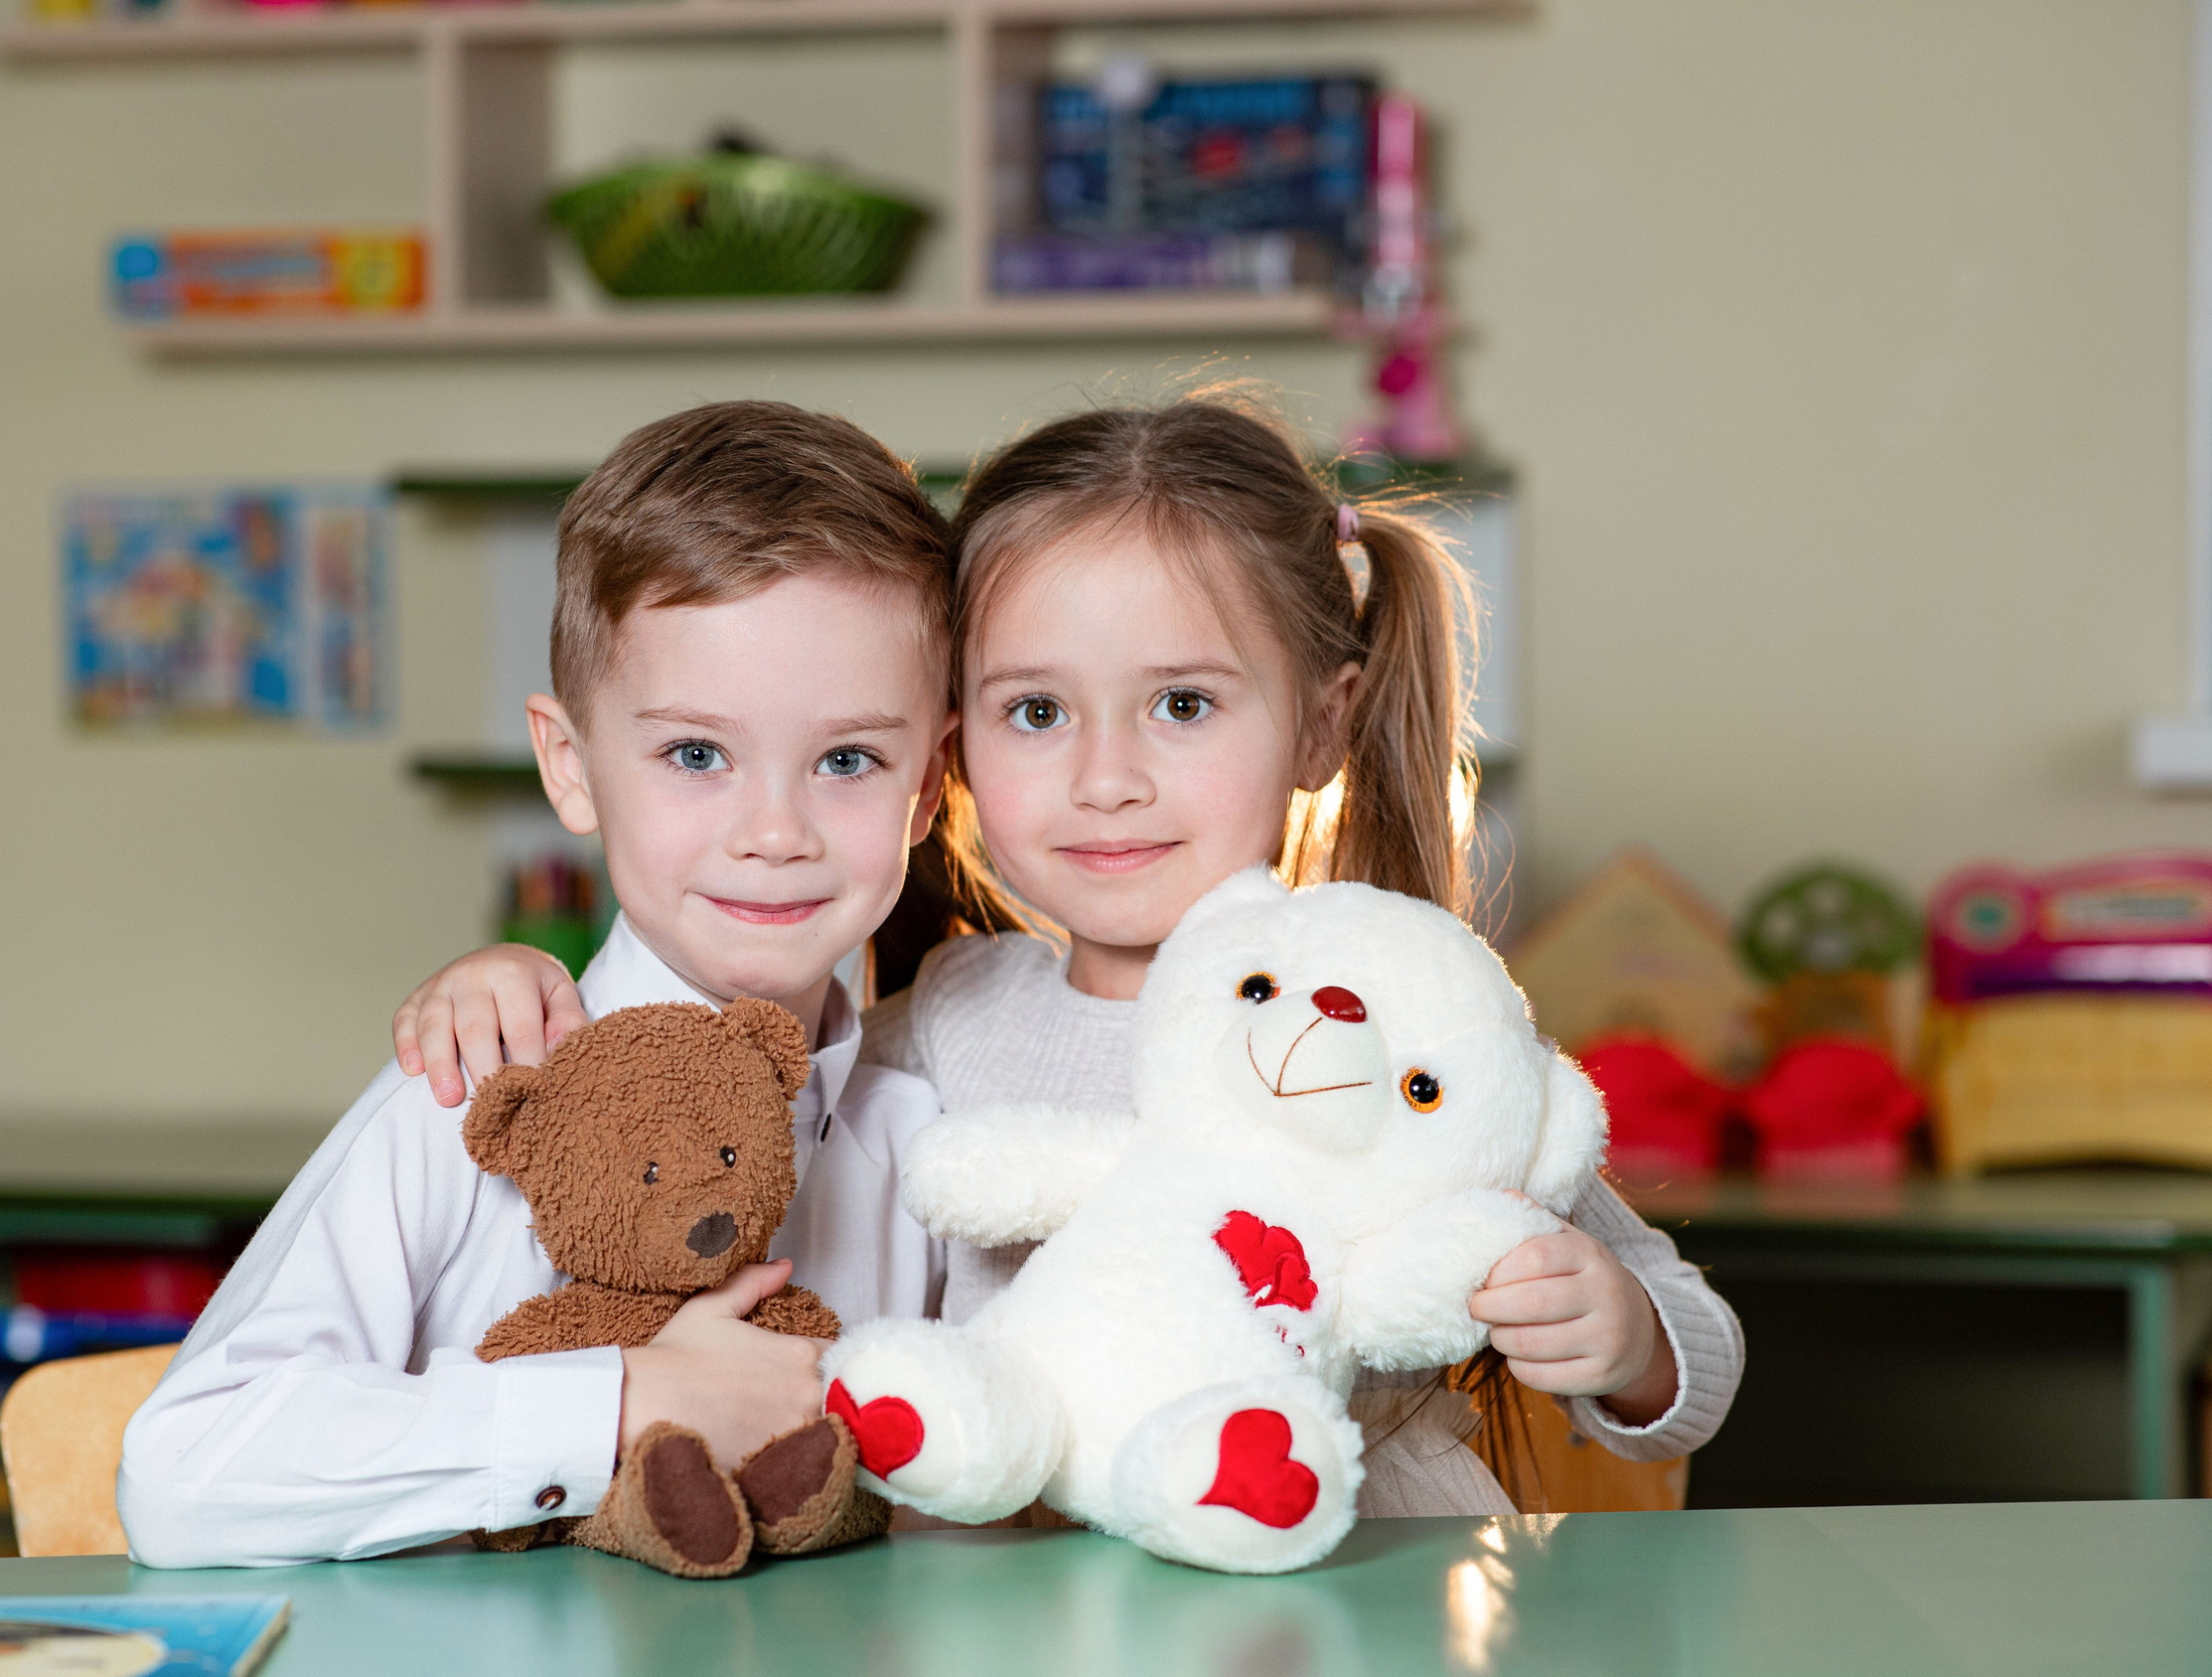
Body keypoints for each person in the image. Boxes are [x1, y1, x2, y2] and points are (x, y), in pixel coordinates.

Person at [396, 391, 1743, 1518]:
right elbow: (722, 1103)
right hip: (1010, 1604)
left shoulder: (1394, 1020)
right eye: (1036, 708)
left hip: (1356, 1585)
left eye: (1182, 703)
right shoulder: (941, 1020)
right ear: (952, 747)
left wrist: (1621, 1335)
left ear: (1322, 725)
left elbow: (1696, 1354)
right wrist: (514, 979)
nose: (1107, 777)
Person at [117, 400, 956, 1567]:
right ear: (571, 768)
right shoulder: (482, 1077)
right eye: (696, 755)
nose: (775, 832)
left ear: (926, 792)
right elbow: (183, 1475)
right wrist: (618, 1402)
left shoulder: (928, 1138)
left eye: (848, 760)